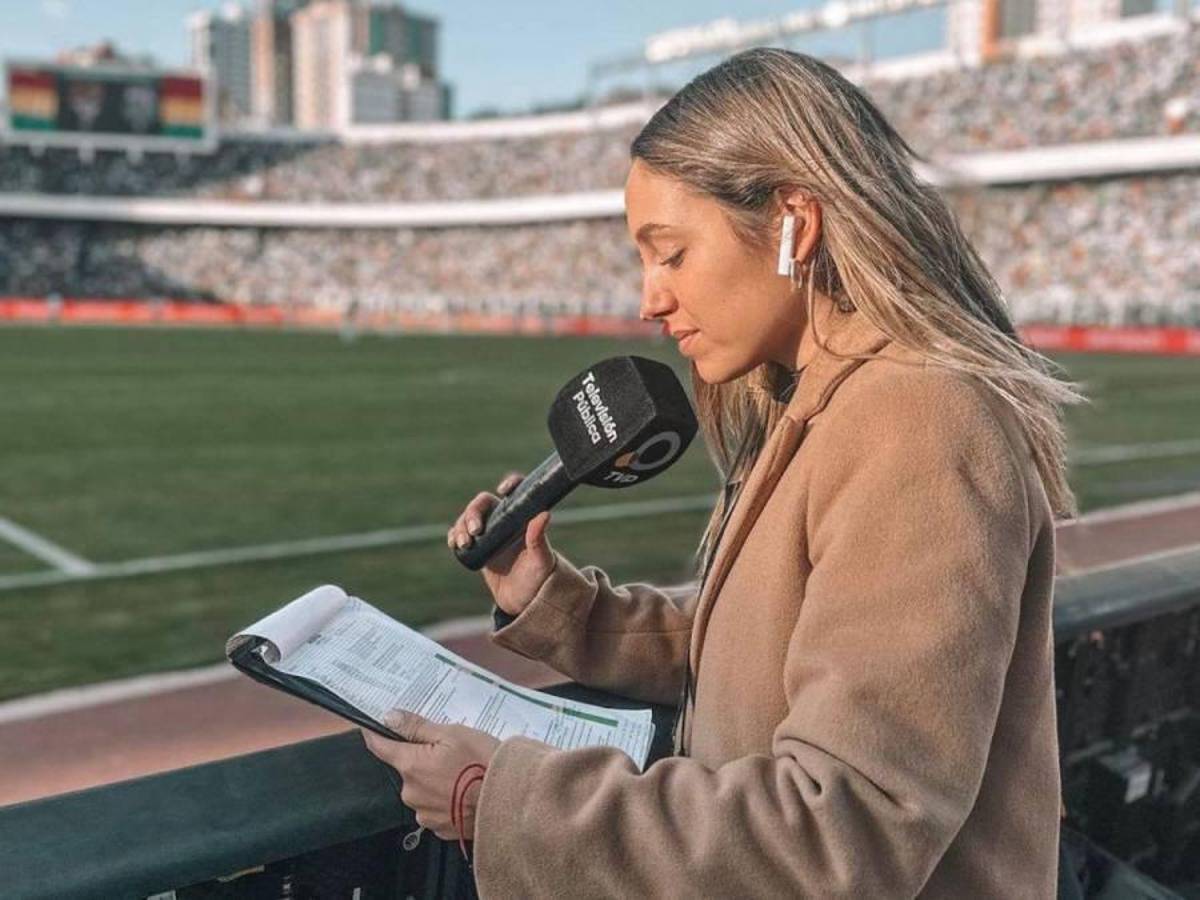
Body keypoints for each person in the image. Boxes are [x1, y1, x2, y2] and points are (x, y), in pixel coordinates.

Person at [362, 47, 1080, 897]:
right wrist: (559, 606)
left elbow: (842, 827)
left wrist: (503, 801)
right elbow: (778, 646)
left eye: (670, 254)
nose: (648, 300)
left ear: (793, 224)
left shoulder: (917, 420)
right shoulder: (828, 397)